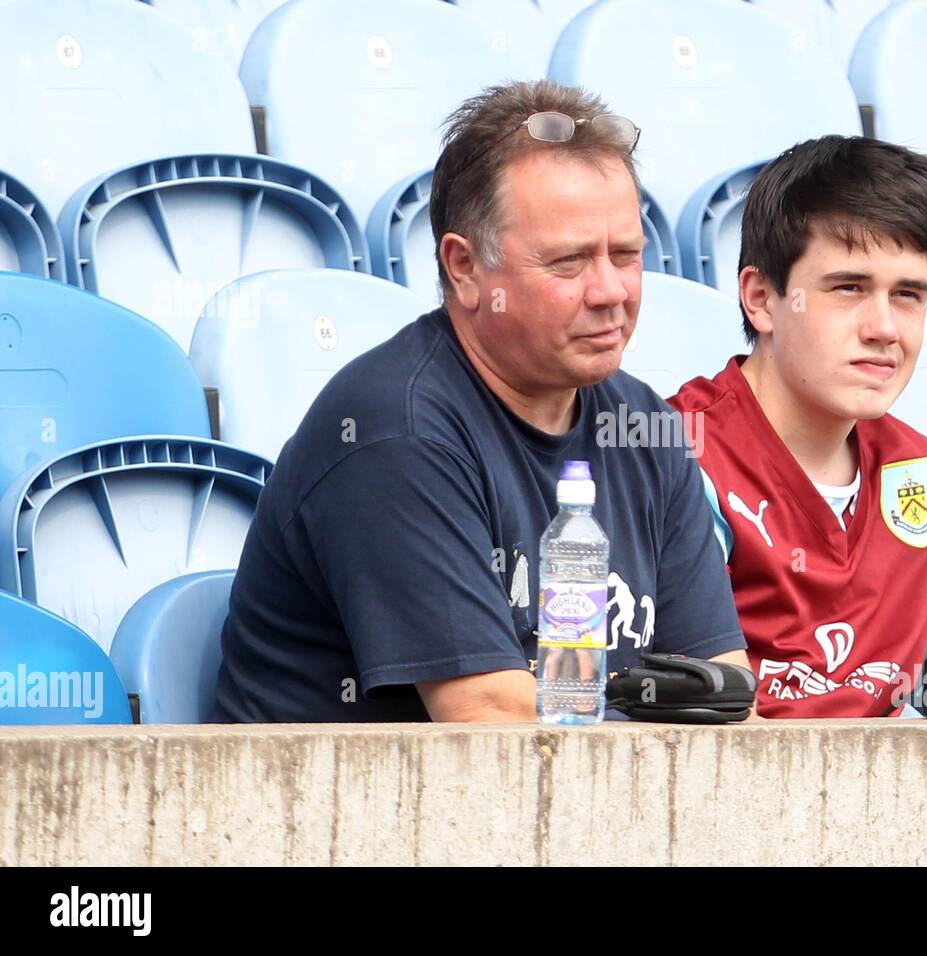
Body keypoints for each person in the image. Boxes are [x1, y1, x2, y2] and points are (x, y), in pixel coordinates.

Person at [214, 80, 748, 723]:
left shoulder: (645, 427)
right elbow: (490, 720)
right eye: (569, 262)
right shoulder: (395, 430)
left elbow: (724, 696)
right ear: (465, 268)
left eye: (626, 255)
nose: (611, 291)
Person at [667, 135, 927, 719]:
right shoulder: (676, 453)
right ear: (762, 299)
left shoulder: (925, 476)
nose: (884, 327)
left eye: (908, 295)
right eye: (848, 288)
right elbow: (684, 710)